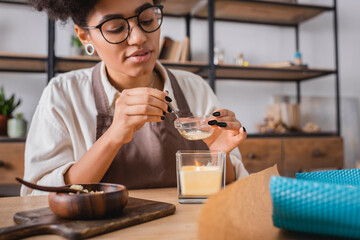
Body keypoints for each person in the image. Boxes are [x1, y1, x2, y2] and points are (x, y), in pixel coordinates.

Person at [21, 0, 249, 196]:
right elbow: (39, 196)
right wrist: (113, 137)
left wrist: (220, 155)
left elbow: (230, 188)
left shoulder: (195, 88)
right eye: (116, 28)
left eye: (148, 20)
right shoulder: (63, 93)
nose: (139, 37)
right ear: (84, 36)